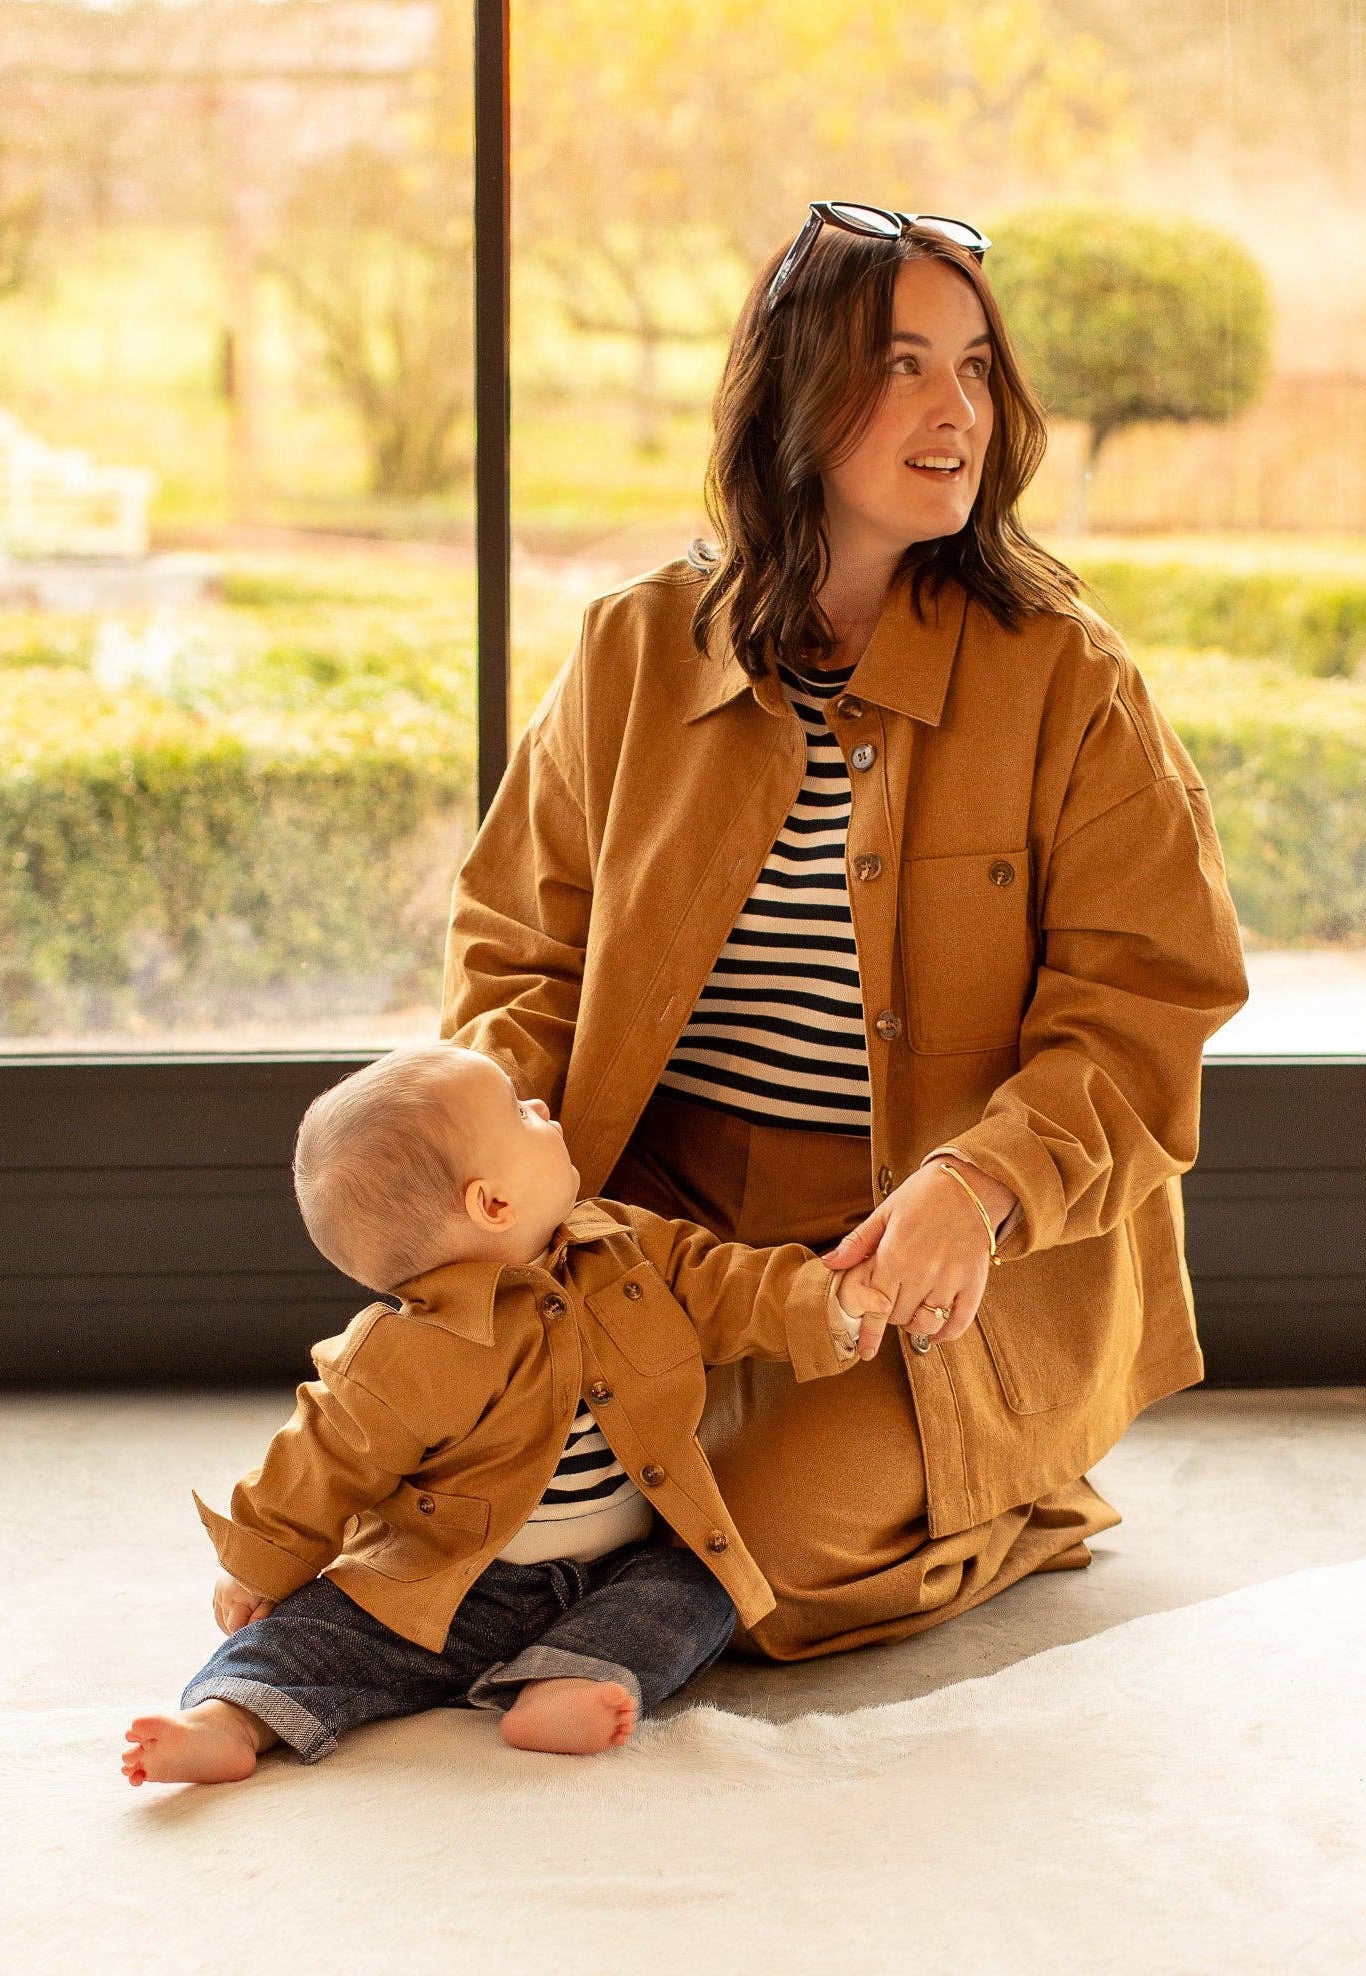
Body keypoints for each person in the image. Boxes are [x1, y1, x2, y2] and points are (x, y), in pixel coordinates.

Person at [438, 204, 1251, 1663]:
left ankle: (1015, 1483)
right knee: (432, 1473)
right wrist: (491, 1176)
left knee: (755, 1547)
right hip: (655, 1219)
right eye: (900, 365)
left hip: (928, 1256)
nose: (955, 410)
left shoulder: (1067, 675)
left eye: (975, 367)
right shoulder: (634, 645)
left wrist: (980, 1184)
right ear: (792, 395)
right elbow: (519, 950)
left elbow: (1148, 1004)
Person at [120, 1043, 891, 1783]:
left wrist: (828, 1300)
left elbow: (725, 1284)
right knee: (321, 1629)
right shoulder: (403, 1353)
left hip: (618, 1571)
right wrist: (257, 1565)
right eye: (521, 1113)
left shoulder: (626, 1249)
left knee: (703, 1589)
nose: (542, 1108)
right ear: (492, 1203)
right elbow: (320, 1458)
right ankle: (228, 1719)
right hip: (450, 1582)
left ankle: (568, 1681)